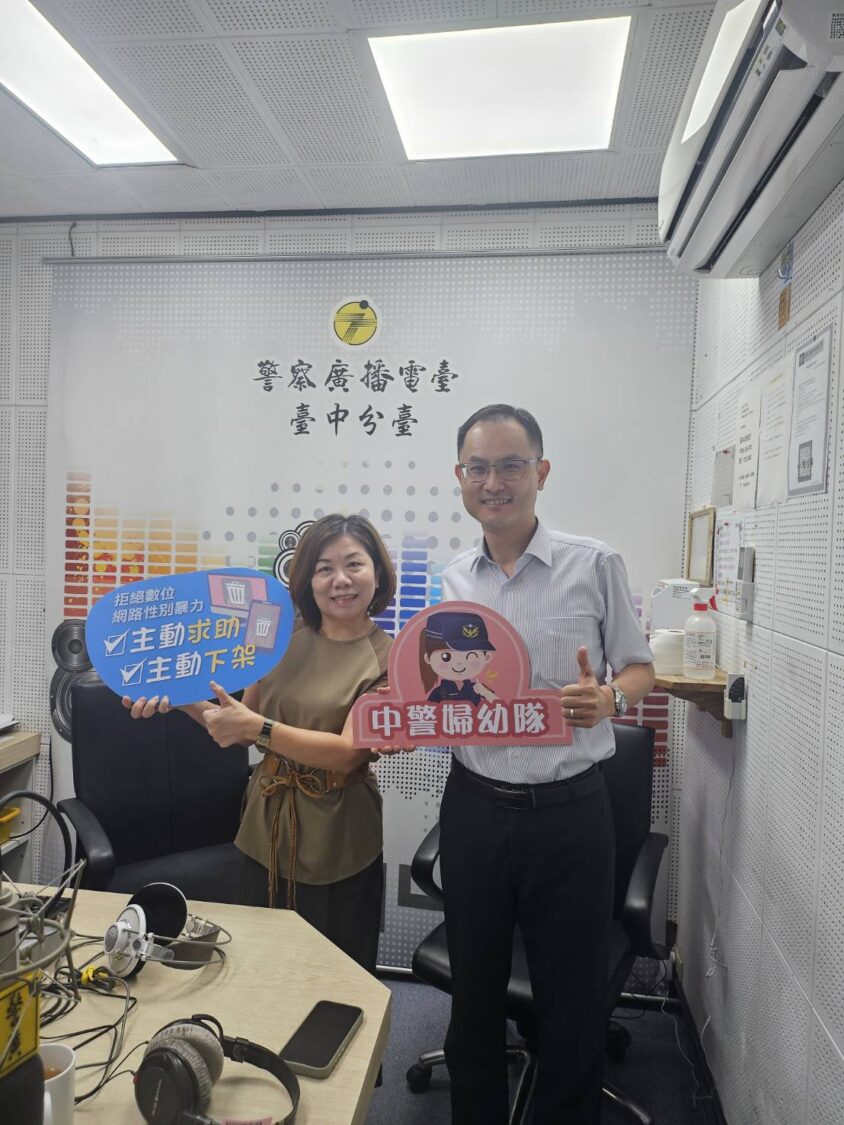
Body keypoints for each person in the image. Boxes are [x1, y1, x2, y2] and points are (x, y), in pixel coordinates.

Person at [438, 404, 655, 1125]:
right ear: (460, 476)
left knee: (571, 1003)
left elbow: (639, 668)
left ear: (542, 471)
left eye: (511, 465)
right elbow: (446, 688)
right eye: (478, 468)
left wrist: (610, 699)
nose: (493, 482)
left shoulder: (593, 563)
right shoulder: (453, 577)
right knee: (473, 996)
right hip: (473, 807)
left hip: (568, 814)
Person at [124, 513, 402, 977]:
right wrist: (177, 698)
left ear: (378, 573)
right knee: (261, 966)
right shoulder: (277, 634)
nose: (340, 580)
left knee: (336, 975)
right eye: (325, 568)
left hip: (338, 831)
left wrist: (258, 729)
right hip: (266, 820)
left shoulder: (392, 658)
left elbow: (347, 752)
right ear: (307, 578)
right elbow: (235, 719)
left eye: (354, 564)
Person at [419, 609, 498, 706]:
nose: (459, 663)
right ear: (428, 658)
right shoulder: (440, 691)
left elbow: (501, 706)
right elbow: (428, 710)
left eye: (471, 656)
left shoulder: (478, 688)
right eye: (446, 657)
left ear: (487, 657)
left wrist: (485, 692)